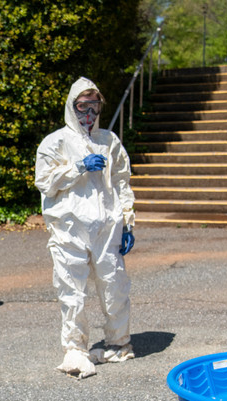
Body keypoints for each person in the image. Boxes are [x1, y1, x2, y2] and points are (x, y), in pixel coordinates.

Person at [34, 77, 136, 380]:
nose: (88, 116)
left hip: (108, 227)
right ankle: (75, 349)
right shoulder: (55, 142)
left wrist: (128, 222)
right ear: (71, 108)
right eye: (82, 107)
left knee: (114, 284)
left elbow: (122, 181)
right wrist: (78, 166)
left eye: (94, 107)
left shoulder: (109, 141)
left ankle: (118, 344)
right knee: (71, 290)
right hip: (69, 229)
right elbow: (45, 183)